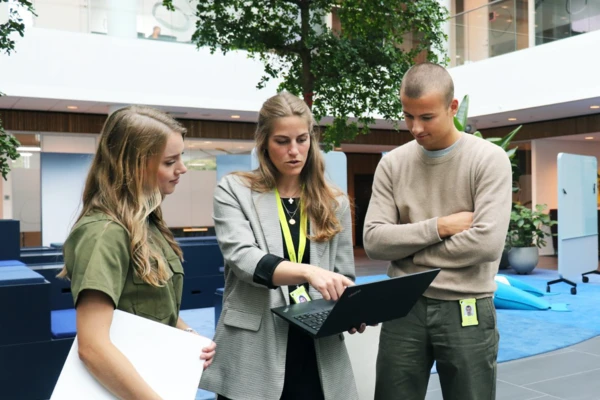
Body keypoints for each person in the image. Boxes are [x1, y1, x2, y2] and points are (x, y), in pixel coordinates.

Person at [363, 62, 512, 400]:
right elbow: (374, 240)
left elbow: (485, 244)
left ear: (452, 107)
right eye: (408, 116)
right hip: (403, 305)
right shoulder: (393, 163)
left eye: (426, 117)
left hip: (466, 304)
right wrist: (441, 226)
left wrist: (407, 252)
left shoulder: (488, 160)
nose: (415, 128)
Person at [200, 92, 362, 400]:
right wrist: (309, 273)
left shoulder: (334, 201)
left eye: (302, 140)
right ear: (263, 143)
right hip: (254, 347)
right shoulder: (234, 190)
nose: (294, 151)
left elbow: (343, 275)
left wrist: (352, 310)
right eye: (282, 141)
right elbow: (244, 258)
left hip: (316, 348)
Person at [58, 106, 216, 400]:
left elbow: (146, 307)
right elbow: (93, 347)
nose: (182, 168)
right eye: (170, 161)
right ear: (133, 166)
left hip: (155, 377)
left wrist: (186, 335)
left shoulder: (147, 223)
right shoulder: (103, 233)